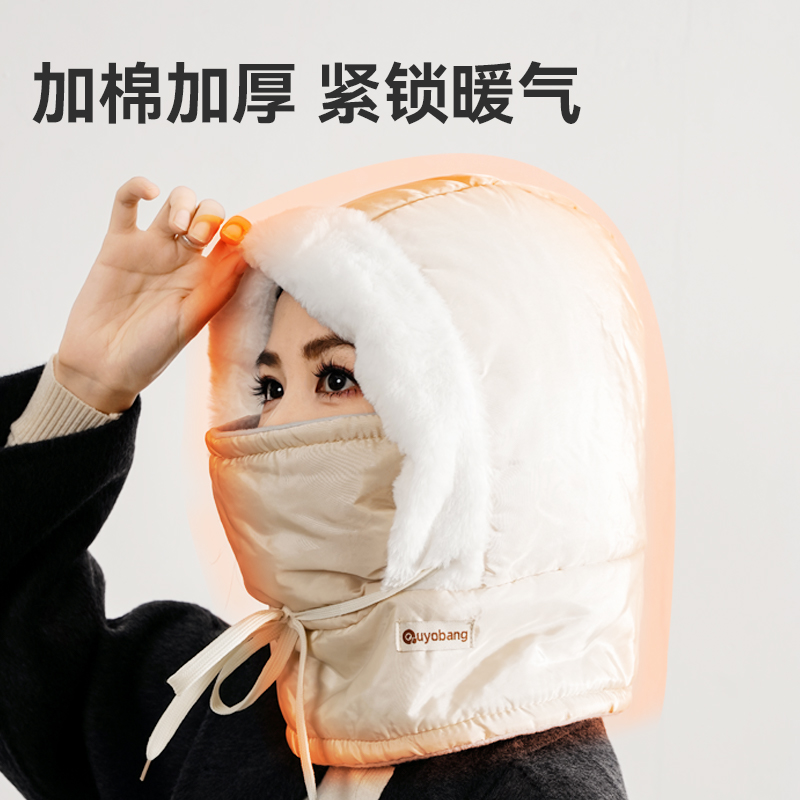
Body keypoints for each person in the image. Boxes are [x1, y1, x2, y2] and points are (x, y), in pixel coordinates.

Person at [0, 173, 644, 799]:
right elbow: (21, 662)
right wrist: (84, 384)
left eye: (336, 378)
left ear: (499, 427)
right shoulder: (227, 705)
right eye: (270, 387)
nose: (276, 424)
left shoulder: (534, 788)